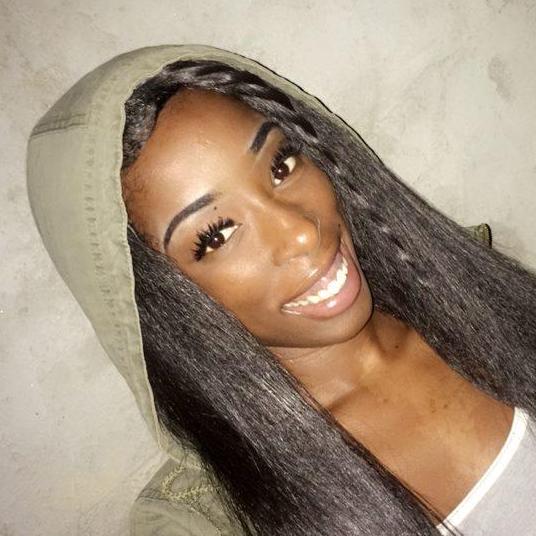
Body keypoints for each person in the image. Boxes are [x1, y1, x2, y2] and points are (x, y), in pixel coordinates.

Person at [25, 45, 536, 536]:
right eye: (216, 235)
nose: (301, 233)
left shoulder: (472, 293)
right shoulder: (209, 521)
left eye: (281, 165)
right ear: (157, 299)